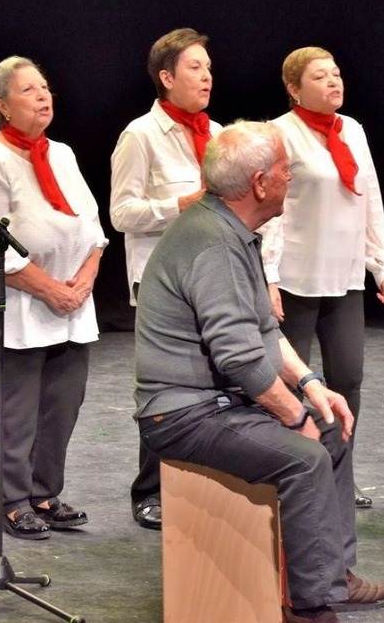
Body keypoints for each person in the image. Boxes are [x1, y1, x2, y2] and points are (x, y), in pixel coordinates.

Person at [134, 121, 384, 623]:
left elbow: (264, 333)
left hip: (217, 402)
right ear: (259, 184)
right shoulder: (213, 243)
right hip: (184, 414)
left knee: (331, 429)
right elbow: (238, 357)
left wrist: (312, 386)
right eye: (284, 170)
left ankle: (333, 574)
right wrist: (295, 418)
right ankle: (312, 606)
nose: (289, 178)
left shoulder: (231, 230)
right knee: (305, 457)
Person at [260, 47, 384, 510]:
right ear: (295, 88)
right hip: (298, 276)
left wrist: (382, 264)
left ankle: (340, 474)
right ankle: (292, 474)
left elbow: (370, 197)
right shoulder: (281, 132)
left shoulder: (352, 130)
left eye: (336, 74)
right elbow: (273, 212)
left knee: (348, 376)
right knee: (292, 381)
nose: (333, 82)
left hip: (345, 276)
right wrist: (269, 276)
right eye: (320, 77)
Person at [0, 56, 107, 540]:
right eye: (28, 90)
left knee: (63, 403)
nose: (43, 96)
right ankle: (14, 501)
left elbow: (94, 227)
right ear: (2, 105)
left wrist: (83, 281)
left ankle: (44, 491)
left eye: (45, 87)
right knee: (16, 411)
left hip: (73, 304)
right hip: (21, 305)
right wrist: (50, 288)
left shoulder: (62, 153)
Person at [110, 27, 222, 530]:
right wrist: (177, 205)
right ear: (166, 76)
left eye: (208, 68)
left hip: (215, 281)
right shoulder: (141, 135)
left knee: (216, 387)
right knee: (167, 389)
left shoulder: (218, 135)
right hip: (163, 287)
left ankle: (206, 485)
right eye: (194, 67)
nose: (206, 76)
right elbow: (121, 213)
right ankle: (150, 490)